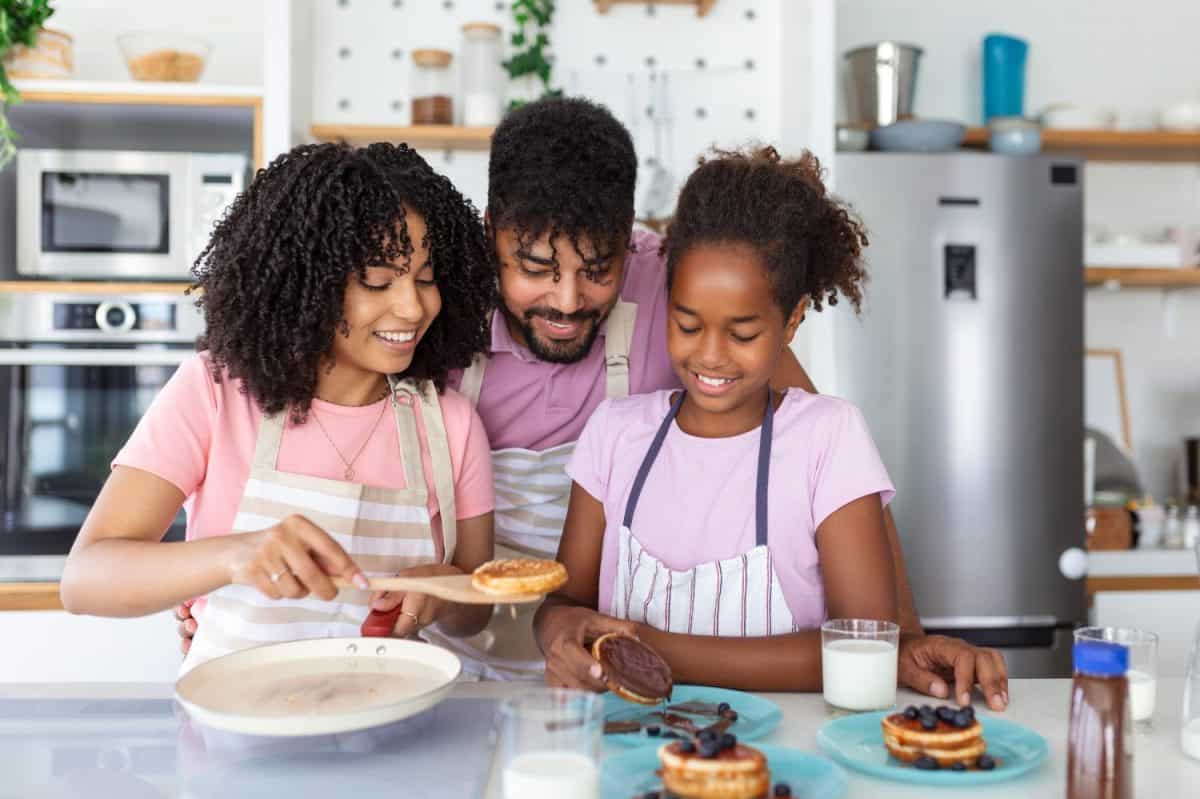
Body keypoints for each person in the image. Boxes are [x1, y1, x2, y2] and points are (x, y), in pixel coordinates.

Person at [177, 99, 1010, 709]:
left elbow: (831, 463)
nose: (569, 299)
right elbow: (334, 406)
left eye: (597, 267)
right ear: (492, 231)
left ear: (633, 242)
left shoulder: (681, 287)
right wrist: (218, 576)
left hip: (607, 671)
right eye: (534, 266)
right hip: (442, 659)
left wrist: (899, 635)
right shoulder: (435, 306)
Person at [60, 142, 498, 673]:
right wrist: (233, 556)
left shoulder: (450, 424)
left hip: (390, 728)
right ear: (308, 282)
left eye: (426, 278)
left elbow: (476, 608)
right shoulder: (214, 392)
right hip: (233, 736)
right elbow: (85, 580)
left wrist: (442, 592)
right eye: (378, 281)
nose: (413, 306)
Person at [534, 146, 900, 690]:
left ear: (793, 320)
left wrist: (643, 649)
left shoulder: (828, 439)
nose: (709, 355)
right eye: (687, 324)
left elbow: (864, 645)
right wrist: (561, 631)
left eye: (743, 333)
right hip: (628, 749)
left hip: (783, 757)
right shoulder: (615, 434)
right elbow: (561, 605)